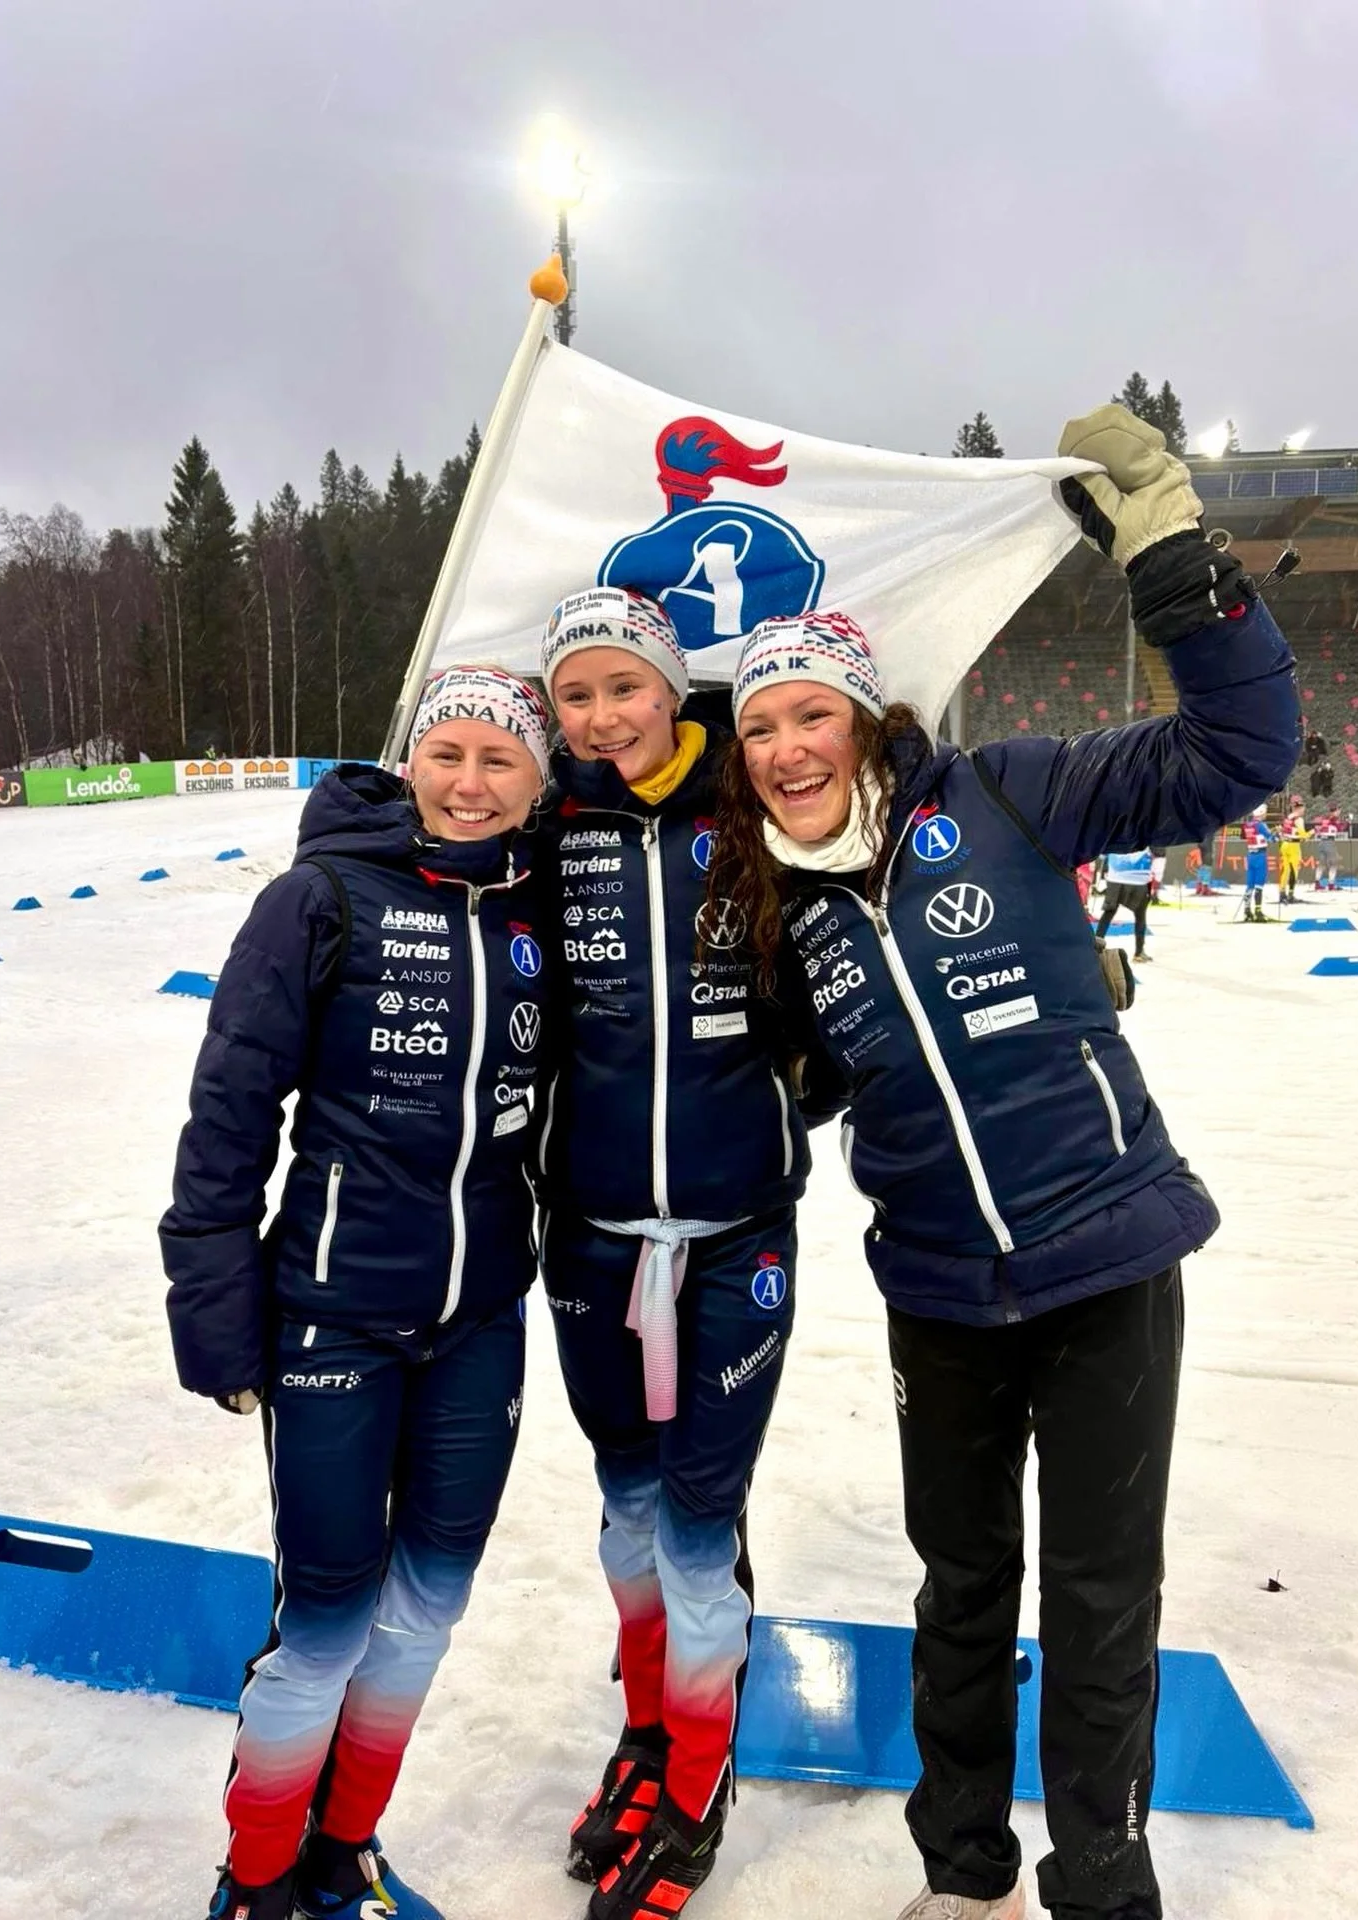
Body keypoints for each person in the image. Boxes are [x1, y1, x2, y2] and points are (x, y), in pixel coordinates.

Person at [707, 403, 1300, 1920]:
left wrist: (1172, 560)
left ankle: (1101, 1884)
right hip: (941, 1296)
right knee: (961, 1597)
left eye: (811, 717)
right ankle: (963, 1876)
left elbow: (1240, 749)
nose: (786, 750)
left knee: (1100, 1601)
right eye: (760, 727)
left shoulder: (1008, 794)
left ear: (867, 718)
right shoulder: (779, 912)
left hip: (1107, 1260)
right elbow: (789, 1082)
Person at [160, 668, 554, 1920]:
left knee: (426, 1613)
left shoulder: (535, 906)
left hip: (479, 1322)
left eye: (501, 759)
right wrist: (216, 1309)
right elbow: (230, 1111)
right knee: (325, 1624)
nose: (470, 784)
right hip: (335, 1315)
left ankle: (344, 1845)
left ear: (538, 780)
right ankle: (257, 1878)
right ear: (409, 760)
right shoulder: (320, 897)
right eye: (448, 754)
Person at [534, 588, 810, 1920]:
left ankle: (696, 1800)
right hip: (590, 1234)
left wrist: (786, 1104)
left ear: (670, 687)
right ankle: (648, 1742)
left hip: (736, 1231)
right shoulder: (547, 821)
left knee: (700, 1530)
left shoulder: (745, 806)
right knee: (627, 1510)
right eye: (576, 695)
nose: (604, 717)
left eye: (626, 688)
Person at [1093, 845, 1154, 961]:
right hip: (1138, 877)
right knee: (1140, 916)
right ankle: (1139, 952)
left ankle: (1095, 948)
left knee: (1108, 913)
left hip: (1116, 875)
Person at [1239, 803, 1275, 921]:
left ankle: (1246, 911)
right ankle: (1258, 912)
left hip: (1250, 855)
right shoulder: (1261, 825)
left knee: (1250, 884)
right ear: (1261, 813)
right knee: (1259, 885)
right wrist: (1277, 835)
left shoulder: (1247, 825)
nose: (1266, 814)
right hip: (1260, 856)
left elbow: (1244, 836)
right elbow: (1272, 839)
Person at [1277, 804, 1311, 904]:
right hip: (1294, 846)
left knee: (1285, 870)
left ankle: (1282, 894)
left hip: (1285, 844)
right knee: (1294, 871)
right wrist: (1313, 832)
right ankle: (1291, 895)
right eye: (1302, 808)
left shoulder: (1287, 817)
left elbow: (1282, 831)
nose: (1303, 810)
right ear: (1298, 809)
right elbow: (1303, 835)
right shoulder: (1299, 819)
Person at [1313, 805, 1343, 890]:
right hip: (1329, 842)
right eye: (1338, 811)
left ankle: (1317, 883)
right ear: (1334, 811)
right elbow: (1340, 828)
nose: (1339, 813)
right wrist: (1347, 822)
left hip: (1322, 842)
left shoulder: (1324, 818)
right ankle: (1331, 885)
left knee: (1321, 864)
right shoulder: (1334, 819)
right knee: (1334, 864)